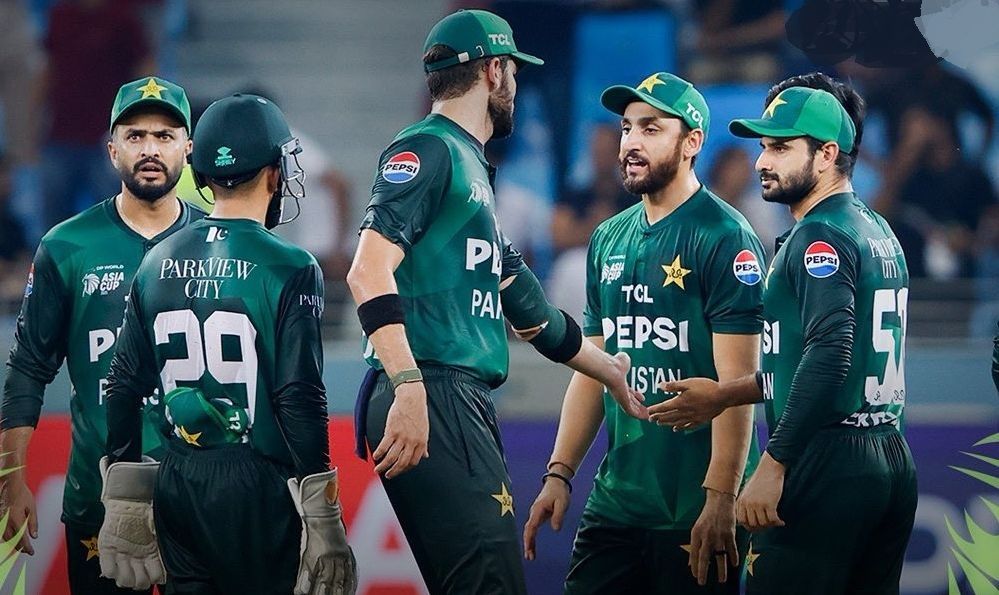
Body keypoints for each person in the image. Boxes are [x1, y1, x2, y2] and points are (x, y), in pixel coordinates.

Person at [347, 9, 643, 595]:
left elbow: (532, 313)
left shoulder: (470, 168)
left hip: (448, 391)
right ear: (493, 71)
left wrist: (608, 369)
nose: (515, 85)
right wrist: (408, 384)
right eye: (513, 72)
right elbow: (367, 269)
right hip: (433, 386)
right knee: (490, 584)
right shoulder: (429, 148)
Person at [649, 73, 918, 595]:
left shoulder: (819, 236)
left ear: (826, 155)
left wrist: (775, 462)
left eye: (780, 147)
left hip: (826, 459)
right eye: (762, 147)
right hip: (888, 452)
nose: (761, 162)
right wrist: (726, 394)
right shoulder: (876, 228)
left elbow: (831, 353)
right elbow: (817, 358)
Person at [100, 94, 356, 594]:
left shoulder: (156, 258)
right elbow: (298, 396)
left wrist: (126, 494)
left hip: (178, 474)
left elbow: (122, 384)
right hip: (259, 482)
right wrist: (322, 511)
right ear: (275, 172)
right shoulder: (290, 265)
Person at [523, 72, 764, 594]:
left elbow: (738, 386)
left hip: (694, 509)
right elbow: (593, 369)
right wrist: (559, 473)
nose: (630, 142)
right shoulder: (608, 237)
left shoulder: (726, 237)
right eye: (627, 128)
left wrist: (721, 498)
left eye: (651, 129)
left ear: (692, 142)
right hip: (615, 504)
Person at [0, 76, 202, 595]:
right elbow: (28, 367)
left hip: (202, 500)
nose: (150, 149)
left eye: (164, 136)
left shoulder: (218, 243)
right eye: (135, 136)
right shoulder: (67, 246)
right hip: (99, 500)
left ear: (188, 148)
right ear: (112, 150)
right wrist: (11, 478)